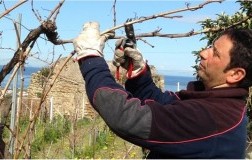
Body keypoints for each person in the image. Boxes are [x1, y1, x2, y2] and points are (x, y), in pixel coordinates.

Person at [73, 21, 252, 159]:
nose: (204, 52)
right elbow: (161, 103)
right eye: (211, 46)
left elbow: (127, 117)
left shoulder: (213, 118)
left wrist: (90, 57)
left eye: (215, 53)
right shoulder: (214, 101)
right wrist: (138, 72)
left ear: (235, 74)